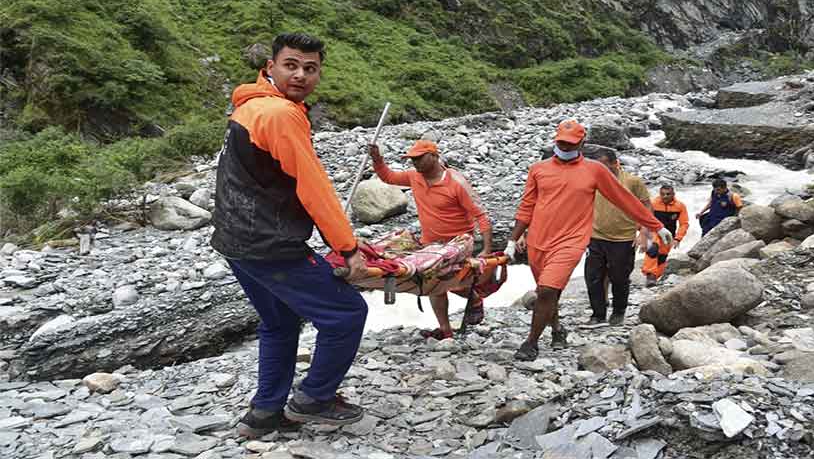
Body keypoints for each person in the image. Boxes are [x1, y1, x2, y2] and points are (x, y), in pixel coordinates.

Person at [211, 32, 370, 437]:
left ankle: (264, 414)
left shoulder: (250, 107)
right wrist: (346, 247)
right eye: (291, 65)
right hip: (268, 243)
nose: (300, 75)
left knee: (279, 323)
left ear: (319, 73)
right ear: (271, 68)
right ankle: (314, 397)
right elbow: (312, 186)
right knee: (347, 313)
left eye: (310, 68)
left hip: (235, 241)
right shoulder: (281, 115)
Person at [505, 120, 671, 361]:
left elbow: (623, 199)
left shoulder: (595, 170)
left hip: (570, 242)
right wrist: (513, 239)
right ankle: (558, 330)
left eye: (570, 143)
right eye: (561, 142)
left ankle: (530, 343)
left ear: (581, 143)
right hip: (538, 241)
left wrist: (654, 225)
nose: (565, 146)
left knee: (547, 289)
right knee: (549, 293)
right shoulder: (538, 169)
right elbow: (527, 206)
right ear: (555, 140)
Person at [369, 140, 493, 340]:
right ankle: (445, 330)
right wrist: (377, 159)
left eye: (419, 158)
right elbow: (388, 177)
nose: (415, 163)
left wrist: (486, 249)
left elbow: (481, 216)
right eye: (412, 160)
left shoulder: (456, 183)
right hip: (431, 243)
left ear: (434, 156)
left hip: (458, 242)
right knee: (433, 284)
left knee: (443, 280)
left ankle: (475, 299)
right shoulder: (413, 177)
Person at [586, 148, 653, 326]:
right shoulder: (592, 181)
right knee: (593, 276)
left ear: (616, 163)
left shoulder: (632, 182)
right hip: (596, 236)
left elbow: (647, 207)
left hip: (623, 238)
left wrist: (644, 233)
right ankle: (598, 314)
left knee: (619, 278)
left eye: (605, 167)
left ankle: (619, 311)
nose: (601, 172)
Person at [642, 184, 689, 286]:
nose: (665, 196)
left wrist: (678, 238)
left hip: (669, 235)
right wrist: (642, 236)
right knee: (653, 249)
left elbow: (684, 224)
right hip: (653, 232)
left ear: (673, 194)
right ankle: (650, 275)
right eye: (662, 194)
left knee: (662, 256)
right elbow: (644, 218)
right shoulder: (653, 204)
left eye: (668, 194)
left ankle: (655, 278)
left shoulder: (680, 206)